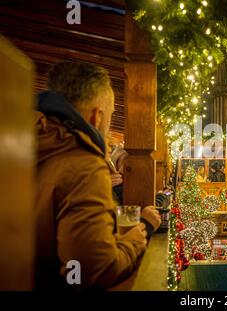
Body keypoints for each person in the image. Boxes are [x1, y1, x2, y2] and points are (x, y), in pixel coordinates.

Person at [35, 61, 161, 290]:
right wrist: (139, 234)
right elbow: (95, 269)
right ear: (97, 117)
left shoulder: (24, 142)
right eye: (111, 115)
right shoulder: (83, 166)